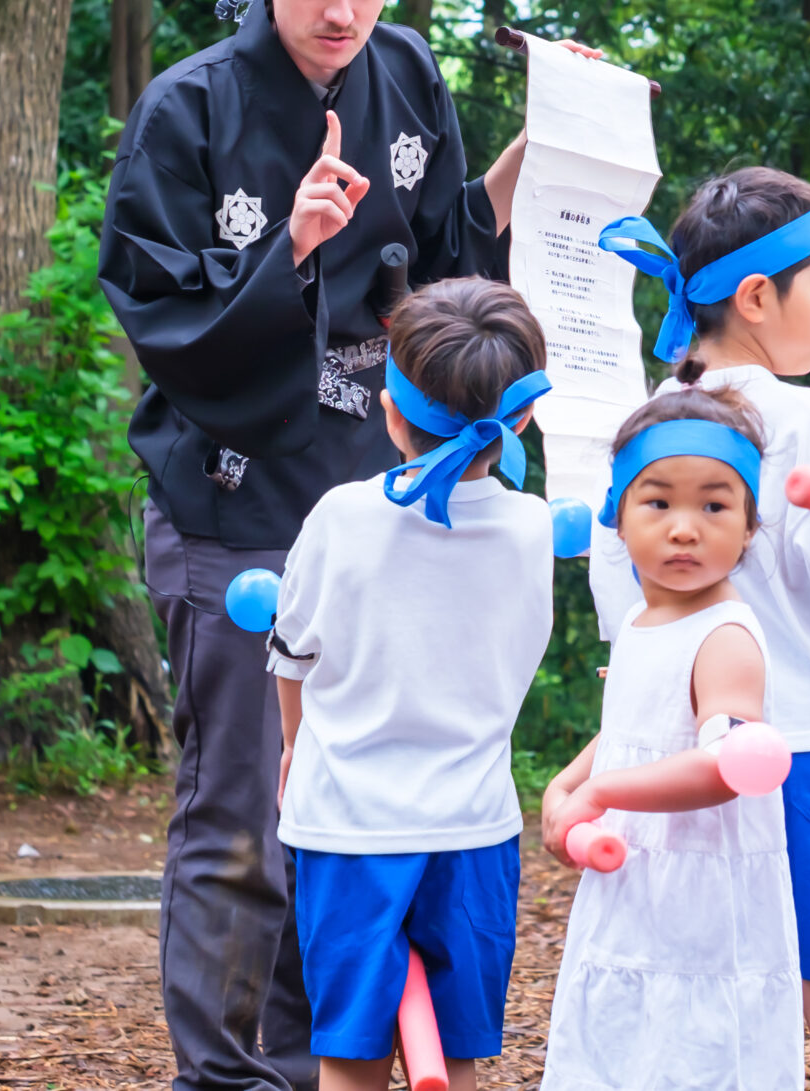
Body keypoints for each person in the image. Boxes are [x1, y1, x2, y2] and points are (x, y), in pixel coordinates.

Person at [100, 0, 564, 1091]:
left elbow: (454, 253)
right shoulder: (188, 110)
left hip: (379, 499)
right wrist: (293, 250)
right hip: (238, 494)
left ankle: (319, 1064)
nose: (341, 12)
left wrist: (542, 149)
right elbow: (156, 315)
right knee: (245, 808)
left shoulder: (405, 73)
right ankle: (225, 1075)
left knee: (347, 812)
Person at [598, 169, 810, 1091]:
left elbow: (623, 604)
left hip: (684, 766)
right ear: (756, 295)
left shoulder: (646, 422)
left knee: (702, 991)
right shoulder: (808, 417)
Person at [268, 277, 555, 1091]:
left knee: (350, 1060)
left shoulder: (340, 517)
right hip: (473, 828)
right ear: (520, 418)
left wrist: (293, 747)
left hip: (348, 829)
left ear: (390, 411)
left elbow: (292, 655)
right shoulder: (532, 527)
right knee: (456, 1059)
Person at [538, 386, 803, 1091]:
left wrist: (600, 791)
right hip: (636, 879)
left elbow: (724, 766)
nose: (685, 529)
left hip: (701, 898)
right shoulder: (639, 621)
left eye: (714, 506)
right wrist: (568, 781)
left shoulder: (725, 637)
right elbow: (633, 726)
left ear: (749, 525)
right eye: (658, 503)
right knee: (626, 1042)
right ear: (617, 517)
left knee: (690, 1050)